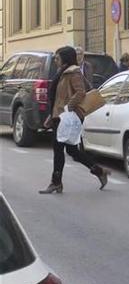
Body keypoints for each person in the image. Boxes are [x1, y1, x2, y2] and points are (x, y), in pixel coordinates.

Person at [39, 46, 110, 194]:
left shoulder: (73, 72)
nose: (56, 61)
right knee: (72, 150)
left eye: (58, 58)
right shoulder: (62, 72)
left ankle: (56, 182)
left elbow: (80, 92)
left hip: (67, 117)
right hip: (61, 116)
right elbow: (57, 98)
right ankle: (99, 171)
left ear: (65, 58)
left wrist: (68, 107)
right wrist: (51, 116)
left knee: (59, 150)